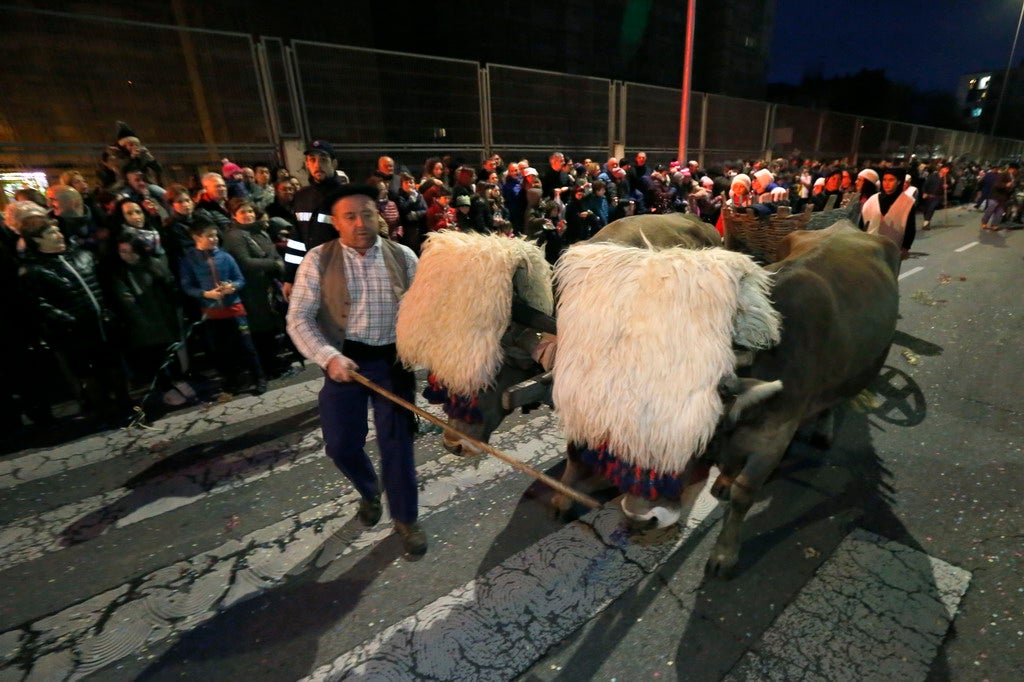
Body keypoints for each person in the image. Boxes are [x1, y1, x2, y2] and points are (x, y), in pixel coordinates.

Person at [285, 184, 425, 556]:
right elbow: (299, 318)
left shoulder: (403, 256)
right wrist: (328, 357)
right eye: (350, 217)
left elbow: (422, 311)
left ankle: (406, 518)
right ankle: (369, 489)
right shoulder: (318, 259)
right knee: (341, 445)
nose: (360, 223)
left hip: (392, 363)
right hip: (343, 361)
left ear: (378, 216)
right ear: (336, 223)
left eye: (367, 214)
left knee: (397, 445)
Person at [18, 215, 132, 424]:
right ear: (36, 239)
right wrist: (67, 320)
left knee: (113, 366)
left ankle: (125, 404)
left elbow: (103, 283)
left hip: (102, 324)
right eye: (50, 232)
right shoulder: (35, 269)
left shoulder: (81, 255)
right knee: (89, 374)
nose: (58, 235)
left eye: (57, 230)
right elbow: (38, 303)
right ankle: (104, 412)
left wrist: (109, 310)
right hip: (74, 333)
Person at [179, 220, 267, 395]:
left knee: (246, 346)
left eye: (215, 235)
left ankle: (259, 378)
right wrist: (206, 294)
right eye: (209, 236)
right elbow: (187, 286)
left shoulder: (225, 257)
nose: (214, 239)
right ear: (196, 237)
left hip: (234, 309)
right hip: (211, 312)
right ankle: (232, 380)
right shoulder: (189, 260)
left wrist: (232, 287)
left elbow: (240, 279)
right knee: (222, 350)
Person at [222, 198, 287, 376]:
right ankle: (266, 366)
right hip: (251, 289)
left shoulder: (259, 231)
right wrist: (274, 264)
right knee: (259, 330)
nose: (248, 215)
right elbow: (245, 262)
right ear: (234, 215)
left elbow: (273, 253)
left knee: (270, 326)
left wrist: (277, 263)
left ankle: (274, 362)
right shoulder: (235, 236)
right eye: (242, 212)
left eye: (250, 211)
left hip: (266, 286)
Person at [282, 140, 347, 299]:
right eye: (312, 160)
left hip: (341, 274)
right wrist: (290, 278)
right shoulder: (301, 197)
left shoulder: (345, 196)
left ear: (334, 163)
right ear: (307, 164)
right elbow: (296, 240)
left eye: (323, 159)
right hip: (310, 275)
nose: (317, 165)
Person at [860, 168, 916, 262]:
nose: (886, 183)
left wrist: (906, 247)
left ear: (898, 182)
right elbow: (862, 222)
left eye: (891, 180)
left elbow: (910, 227)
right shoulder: (873, 199)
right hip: (871, 246)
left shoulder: (907, 202)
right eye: (884, 180)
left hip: (893, 247)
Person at [981, 163, 1019, 231]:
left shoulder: (1013, 177)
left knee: (999, 212)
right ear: (1013, 169)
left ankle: (994, 225)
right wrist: (1005, 185)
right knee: (990, 210)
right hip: (995, 196)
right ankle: (984, 222)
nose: (1017, 172)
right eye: (1016, 170)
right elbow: (997, 184)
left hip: (1004, 197)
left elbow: (1012, 186)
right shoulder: (1003, 174)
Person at [921, 163, 950, 230]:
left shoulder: (947, 178)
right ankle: (927, 221)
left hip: (937, 196)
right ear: (941, 169)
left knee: (931, 208)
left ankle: (926, 224)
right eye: (945, 169)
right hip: (928, 195)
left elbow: (950, 186)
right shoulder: (933, 176)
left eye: (947, 170)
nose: (946, 171)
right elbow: (925, 184)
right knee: (926, 210)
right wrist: (924, 192)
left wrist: (947, 186)